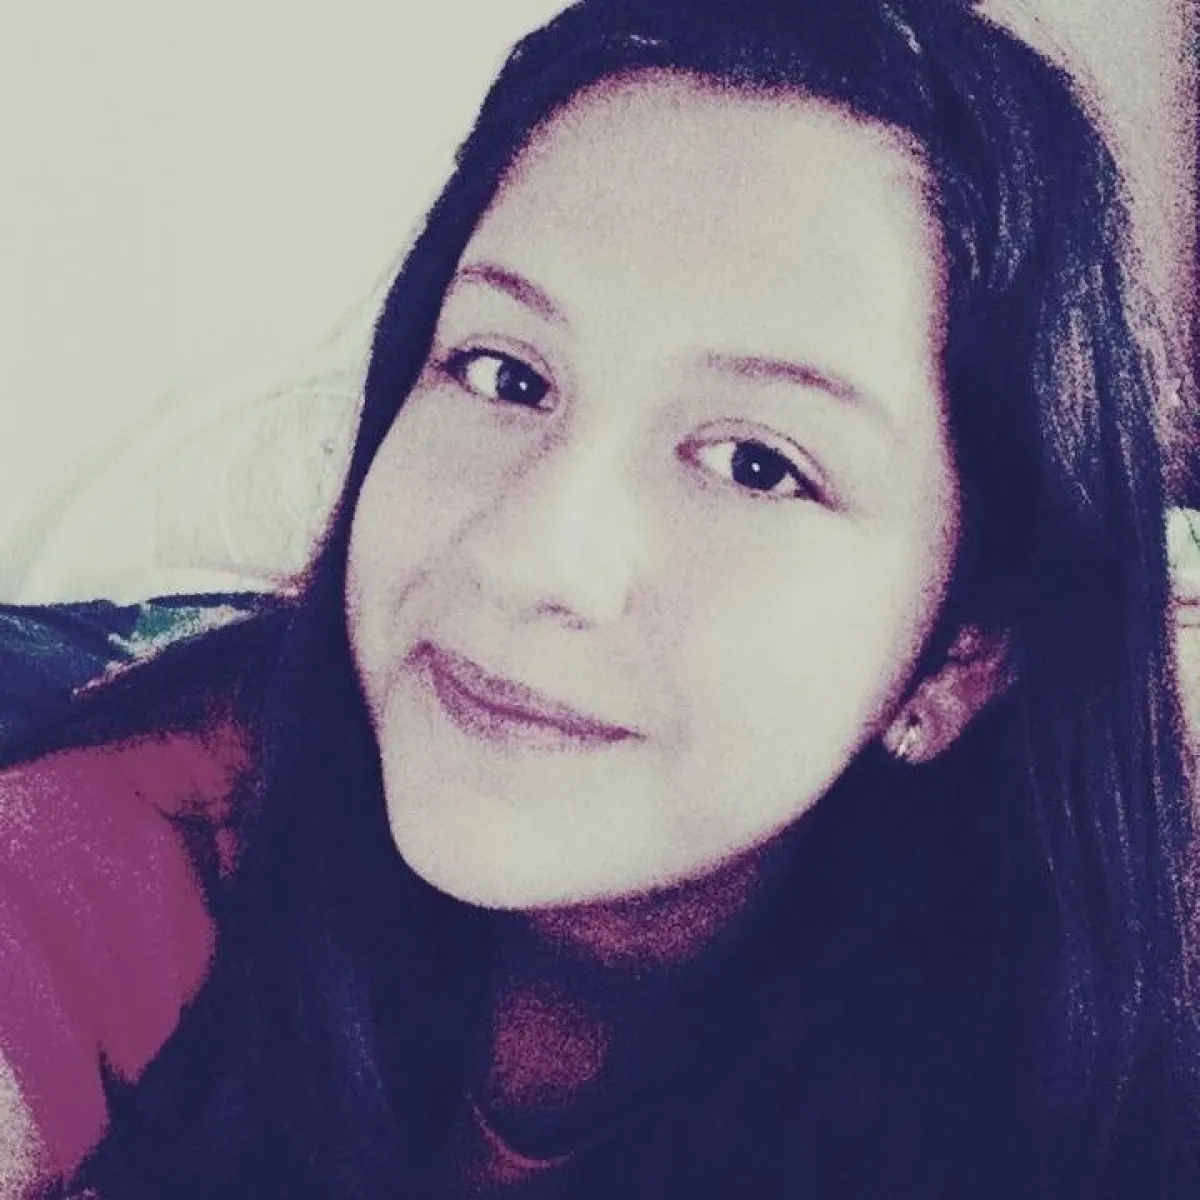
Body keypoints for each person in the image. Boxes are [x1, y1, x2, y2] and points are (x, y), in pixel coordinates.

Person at [1, 0, 1197, 1194]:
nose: (527, 555)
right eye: (503, 373)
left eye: (757, 464)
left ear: (961, 655)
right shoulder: (164, 831)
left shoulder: (1089, 1082)